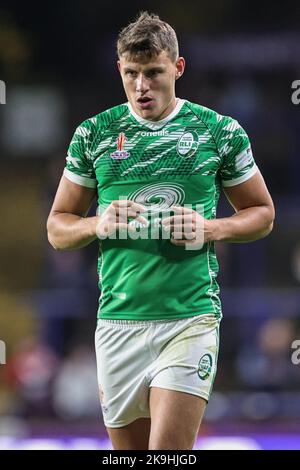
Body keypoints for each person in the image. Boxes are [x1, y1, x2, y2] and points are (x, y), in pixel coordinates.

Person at [47, 11, 275, 450]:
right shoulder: (94, 135)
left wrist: (212, 228)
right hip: (117, 324)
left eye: (153, 72)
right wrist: (97, 223)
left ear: (178, 67)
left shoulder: (219, 132)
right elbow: (58, 228)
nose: (141, 86)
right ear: (119, 69)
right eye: (131, 73)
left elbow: (262, 213)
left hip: (188, 320)